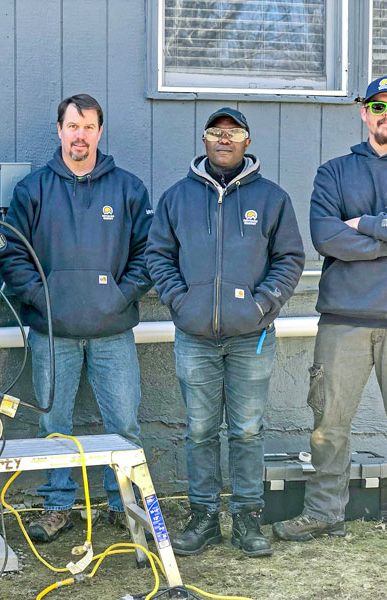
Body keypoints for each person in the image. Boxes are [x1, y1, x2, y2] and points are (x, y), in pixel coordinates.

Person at [272, 76, 387, 568]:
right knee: (328, 425)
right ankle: (324, 511)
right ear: (364, 112)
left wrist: (366, 225)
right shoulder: (334, 172)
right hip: (344, 319)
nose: (386, 114)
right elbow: (327, 238)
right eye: (378, 106)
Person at [145, 107, 305, 557]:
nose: (224, 139)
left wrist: (262, 305)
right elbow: (158, 255)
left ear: (247, 142)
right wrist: (180, 301)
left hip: (250, 336)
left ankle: (248, 520)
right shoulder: (178, 197)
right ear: (204, 140)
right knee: (199, 430)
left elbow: (289, 258)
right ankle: (203, 518)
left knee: (248, 431)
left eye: (233, 133)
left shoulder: (272, 199)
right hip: (194, 336)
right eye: (216, 132)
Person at [0, 94, 154, 543]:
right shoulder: (33, 190)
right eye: (72, 126)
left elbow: (149, 253)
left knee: (123, 423)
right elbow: (13, 254)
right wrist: (40, 300)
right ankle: (57, 505)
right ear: (60, 130)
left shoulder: (128, 188)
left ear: (99, 132)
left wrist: (121, 297)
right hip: (52, 333)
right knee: (54, 425)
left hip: (113, 331)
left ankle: (123, 505)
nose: (79, 135)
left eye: (88, 127)